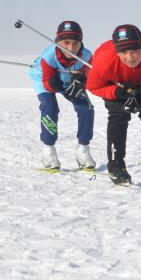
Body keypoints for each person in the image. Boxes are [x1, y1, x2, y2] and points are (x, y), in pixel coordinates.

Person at [85, 24, 141, 185]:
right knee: (118, 115)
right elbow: (93, 86)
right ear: (117, 52)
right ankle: (116, 165)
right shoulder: (105, 62)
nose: (130, 57)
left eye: (134, 51)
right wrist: (117, 93)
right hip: (115, 88)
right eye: (124, 52)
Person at [28, 20, 95, 171]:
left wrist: (82, 81)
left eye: (75, 43)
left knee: (86, 108)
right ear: (58, 42)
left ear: (81, 42)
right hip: (44, 78)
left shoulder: (87, 56)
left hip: (69, 80)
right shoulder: (49, 56)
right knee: (50, 107)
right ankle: (48, 149)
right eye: (66, 42)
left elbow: (87, 76)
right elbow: (47, 82)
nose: (71, 48)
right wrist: (53, 84)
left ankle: (83, 149)